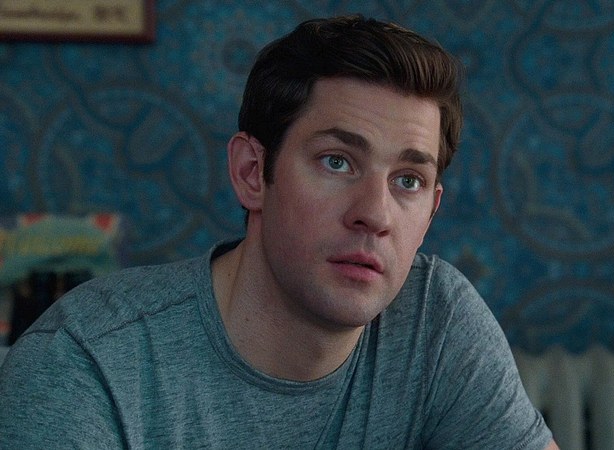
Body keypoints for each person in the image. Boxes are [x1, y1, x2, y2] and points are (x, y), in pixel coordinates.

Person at [0, 15, 558, 449]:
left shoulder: (435, 321)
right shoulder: (87, 363)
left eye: (408, 180)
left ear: (431, 212)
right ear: (252, 173)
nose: (376, 214)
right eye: (337, 161)